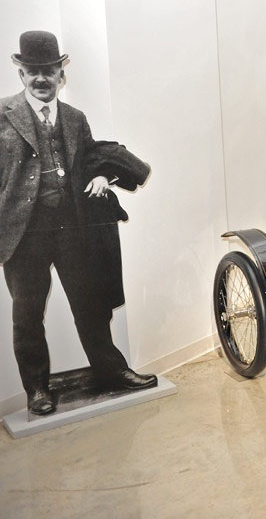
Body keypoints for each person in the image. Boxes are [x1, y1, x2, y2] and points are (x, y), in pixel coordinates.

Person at [1, 30, 156, 416]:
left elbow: (88, 160)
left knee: (91, 306)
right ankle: (37, 389)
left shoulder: (74, 118)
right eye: (33, 71)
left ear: (60, 75)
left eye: (49, 71)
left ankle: (112, 372)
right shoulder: (2, 115)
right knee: (27, 315)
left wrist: (105, 176)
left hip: (73, 229)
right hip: (24, 235)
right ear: (21, 74)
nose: (41, 78)